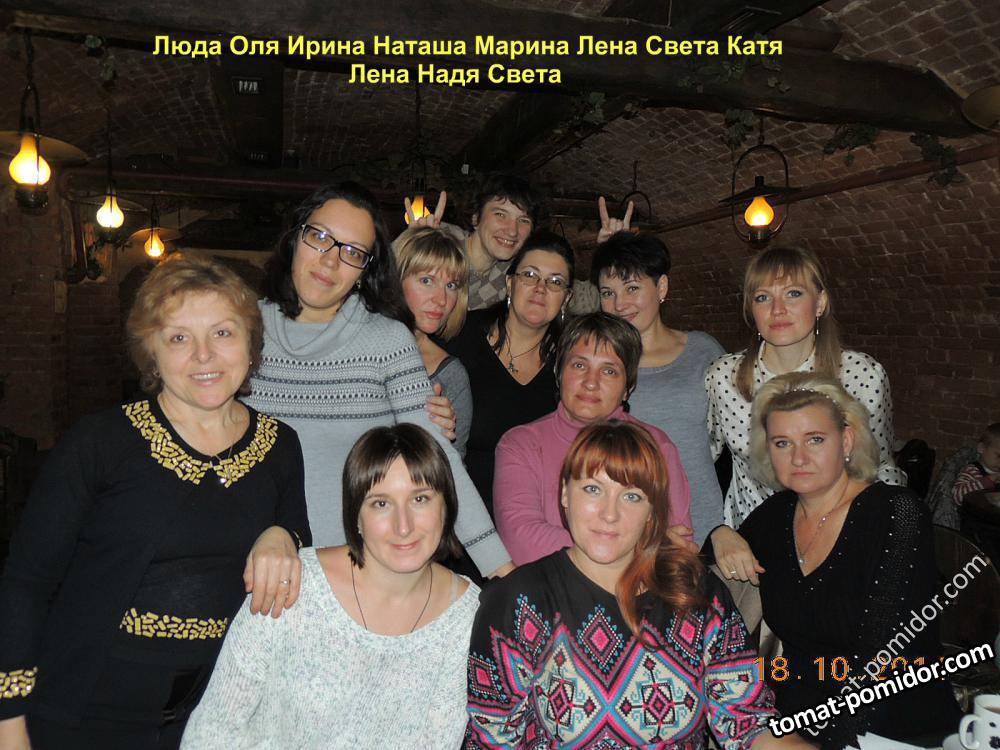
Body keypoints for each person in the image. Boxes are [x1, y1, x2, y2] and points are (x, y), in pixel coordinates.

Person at [0, 254, 311, 749]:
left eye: (223, 333)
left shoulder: (280, 445)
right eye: (179, 338)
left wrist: (282, 535)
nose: (204, 355)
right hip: (88, 711)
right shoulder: (100, 443)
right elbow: (26, 581)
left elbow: (296, 530)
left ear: (251, 345)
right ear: (152, 353)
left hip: (222, 712)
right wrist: (9, 720)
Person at [467, 421, 809, 749]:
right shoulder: (518, 602)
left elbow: (747, 723)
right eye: (592, 489)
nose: (609, 514)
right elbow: (492, 739)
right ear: (565, 494)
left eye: (631, 496)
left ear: (652, 511)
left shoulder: (697, 594)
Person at [244, 182, 512, 579]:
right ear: (295, 238)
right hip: (250, 566)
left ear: (366, 270)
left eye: (353, 252)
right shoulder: (241, 329)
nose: (330, 261)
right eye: (320, 237)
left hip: (355, 574)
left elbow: (438, 459)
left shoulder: (385, 341)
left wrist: (501, 569)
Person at [181, 424, 479, 749]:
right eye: (381, 503)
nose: (403, 526)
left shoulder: (466, 618)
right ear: (356, 517)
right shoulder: (294, 585)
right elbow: (213, 730)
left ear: (446, 506)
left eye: (420, 499)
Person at [709, 372, 960, 747]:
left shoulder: (896, 514)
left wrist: (822, 741)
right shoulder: (774, 516)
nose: (798, 457)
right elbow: (697, 578)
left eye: (815, 439)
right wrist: (719, 534)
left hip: (894, 723)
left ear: (846, 440)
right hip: (795, 714)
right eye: (782, 443)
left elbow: (883, 661)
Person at [705, 246, 905, 572]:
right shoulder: (723, 377)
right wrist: (715, 528)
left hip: (840, 544)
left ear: (820, 302)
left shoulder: (862, 374)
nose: (778, 309)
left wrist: (891, 539)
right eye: (763, 297)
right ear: (751, 310)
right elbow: (698, 462)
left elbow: (880, 467)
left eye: (794, 294)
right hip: (751, 546)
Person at [493, 312, 693, 565]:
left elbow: (678, 547)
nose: (591, 382)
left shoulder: (656, 446)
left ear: (628, 387)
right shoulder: (521, 444)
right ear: (558, 372)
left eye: (609, 371)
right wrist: (642, 546)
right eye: (579, 365)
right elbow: (523, 542)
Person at [592, 208, 725, 544]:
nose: (619, 304)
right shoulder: (598, 361)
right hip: (624, 529)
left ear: (661, 286)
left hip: (702, 525)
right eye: (608, 293)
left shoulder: (703, 351)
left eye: (632, 288)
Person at [446, 230, 574, 516]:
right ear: (509, 283)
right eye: (530, 275)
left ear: (566, 299)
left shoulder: (572, 363)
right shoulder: (461, 334)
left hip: (534, 518)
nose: (540, 288)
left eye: (555, 282)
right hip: (456, 511)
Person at [403, 173, 543, 310]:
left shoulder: (516, 274)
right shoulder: (443, 240)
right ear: (476, 218)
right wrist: (410, 249)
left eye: (524, 220)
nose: (512, 231)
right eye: (500, 214)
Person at [393, 226, 473, 458]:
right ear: (395, 280)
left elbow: (454, 469)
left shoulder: (451, 376)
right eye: (427, 280)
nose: (441, 299)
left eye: (451, 285)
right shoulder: (355, 345)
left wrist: (434, 446)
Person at [952, 422, 1000, 506]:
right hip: (974, 513)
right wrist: (988, 481)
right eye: (999, 455)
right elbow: (957, 496)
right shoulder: (972, 471)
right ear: (982, 448)